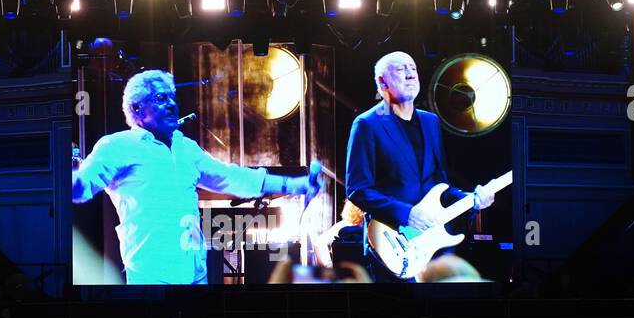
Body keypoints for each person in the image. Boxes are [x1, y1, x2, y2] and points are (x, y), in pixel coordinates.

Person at [72, 68, 322, 284]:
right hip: (151, 273)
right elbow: (82, 187)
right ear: (137, 109)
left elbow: (233, 177)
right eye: (161, 98)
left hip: (196, 271)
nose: (171, 104)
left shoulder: (186, 148)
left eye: (172, 97)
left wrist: (295, 185)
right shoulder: (117, 146)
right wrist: (69, 175)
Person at [344, 51, 496, 281]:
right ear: (381, 82)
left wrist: (472, 198)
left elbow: (440, 184)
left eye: (412, 69)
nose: (409, 74)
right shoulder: (367, 124)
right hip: (392, 244)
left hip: (432, 242)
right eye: (400, 69)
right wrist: (407, 213)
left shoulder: (430, 121)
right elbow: (357, 189)